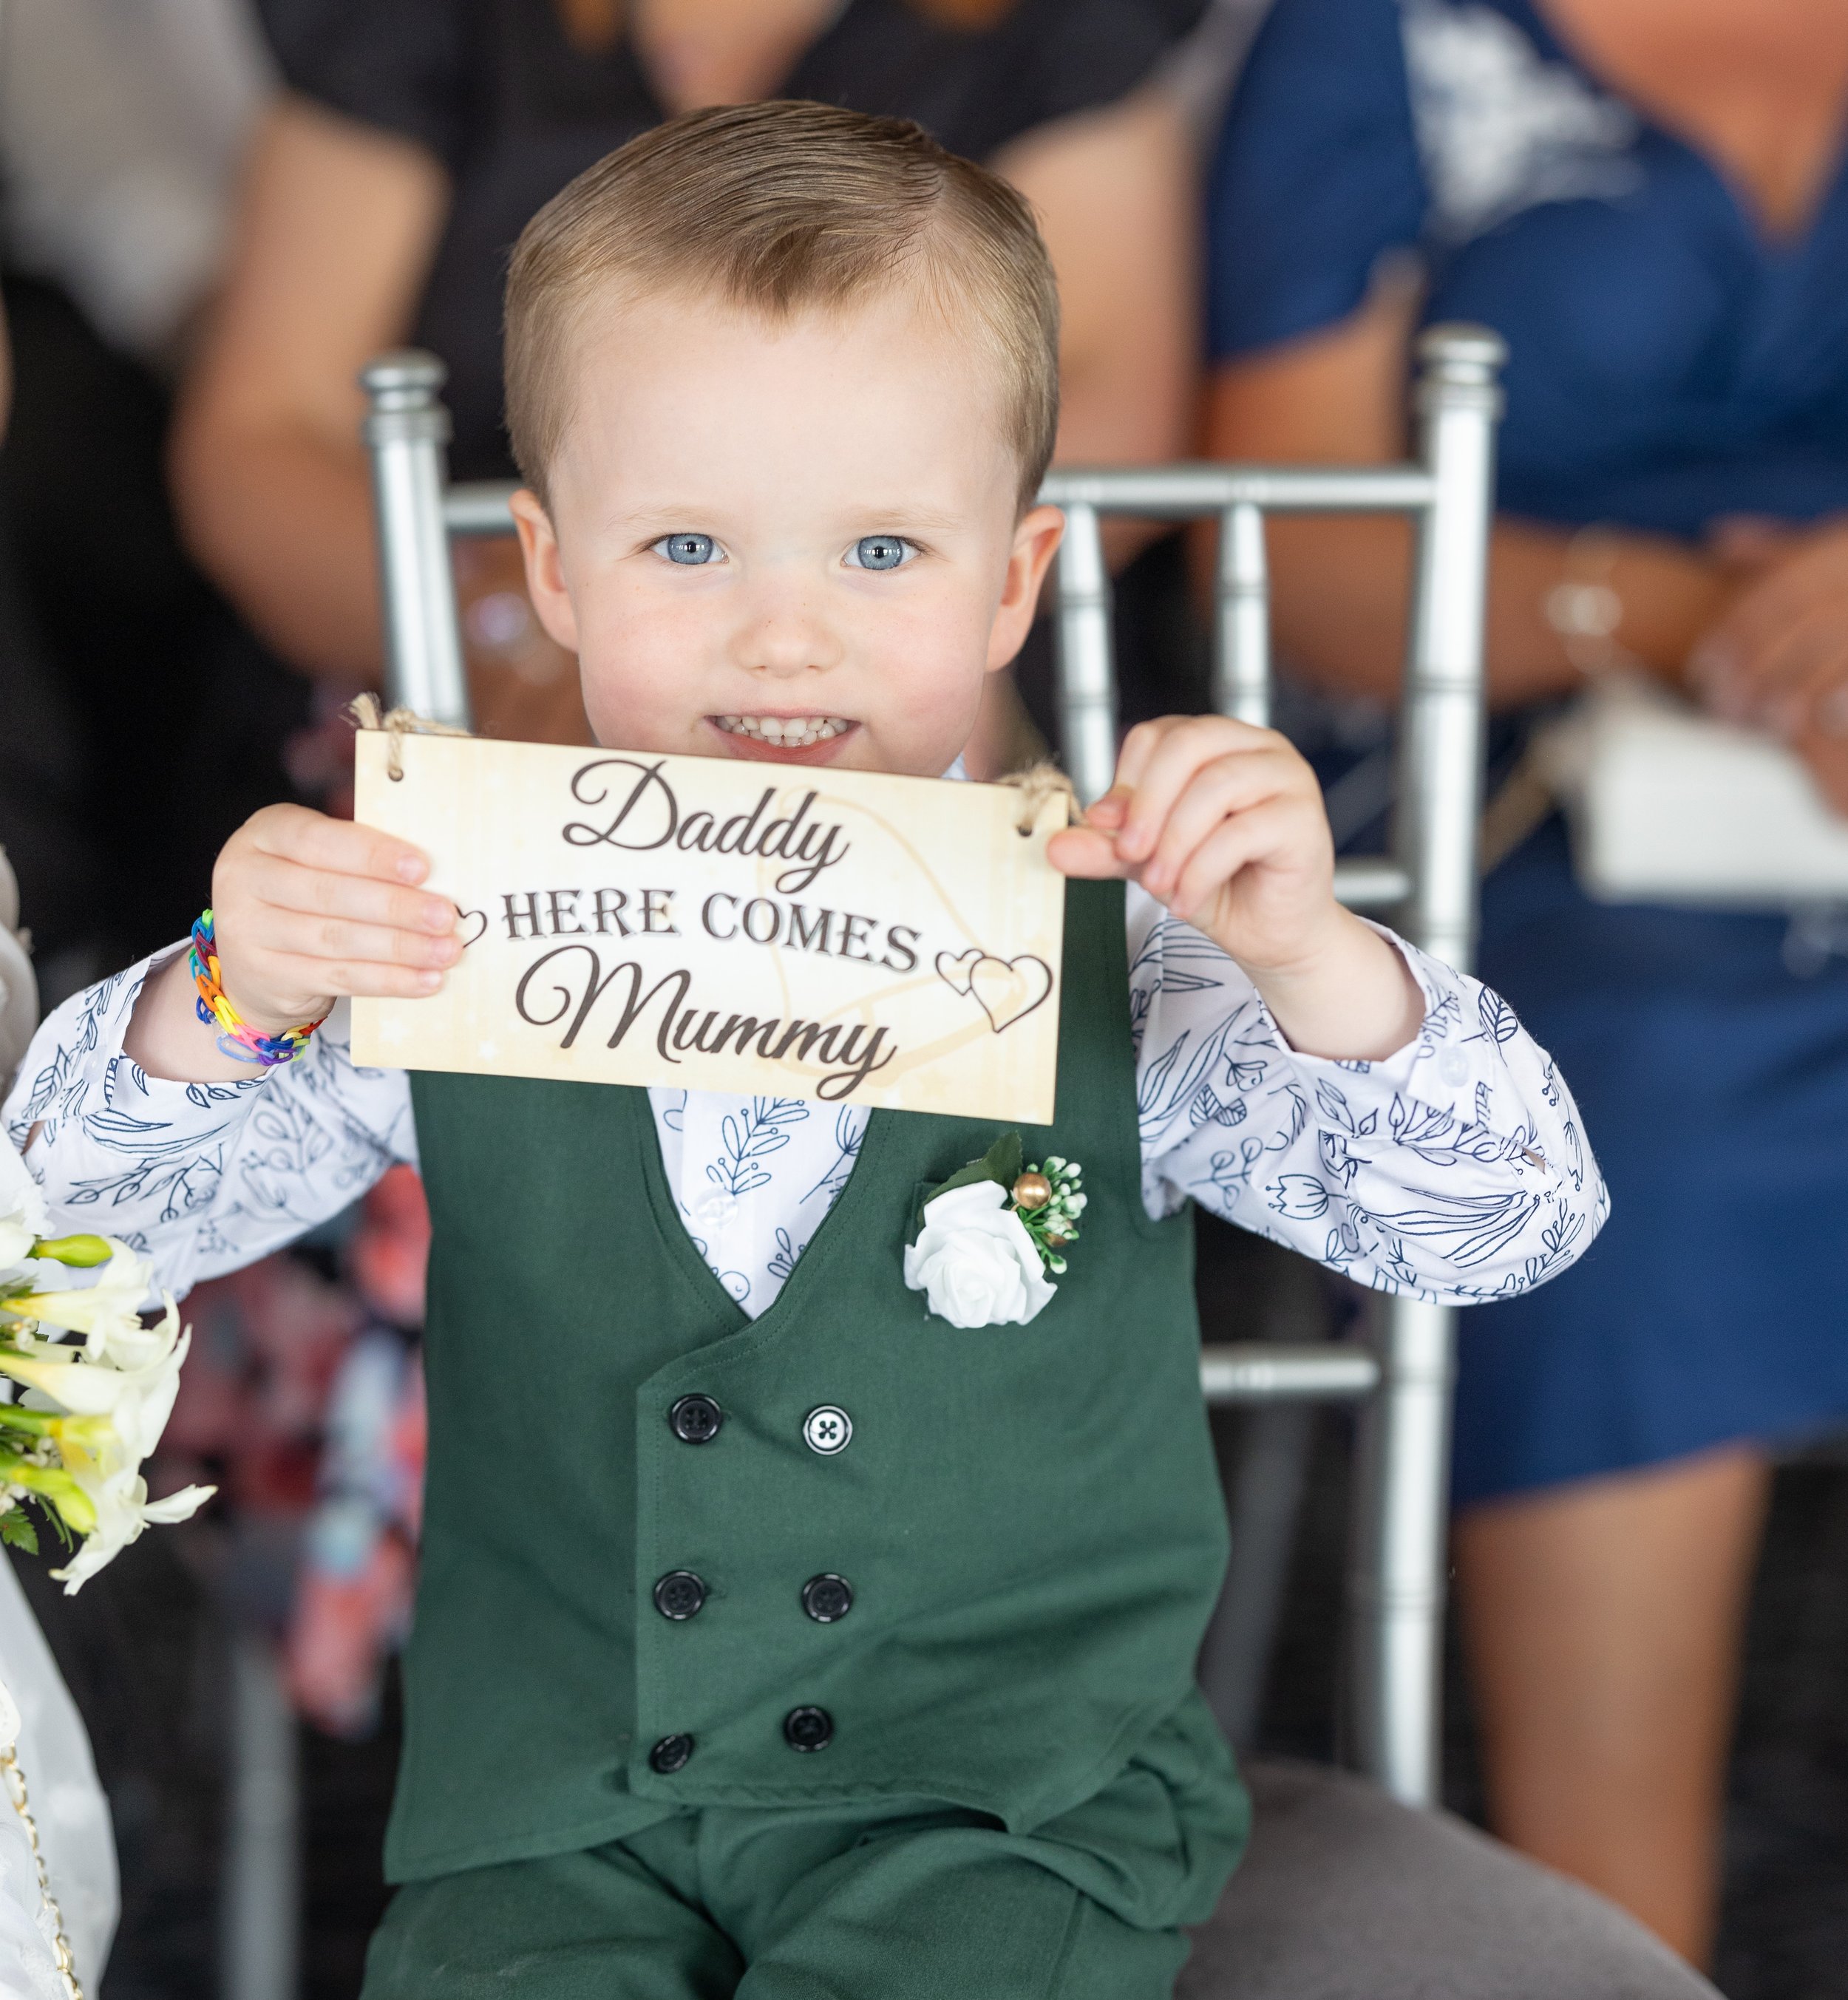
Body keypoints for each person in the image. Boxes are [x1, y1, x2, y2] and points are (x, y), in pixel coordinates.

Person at [12, 106, 1602, 1995]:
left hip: (997, 1816)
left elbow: (1505, 1228)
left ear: (1009, 585)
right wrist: (231, 987)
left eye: (877, 550)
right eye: (688, 543)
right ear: (556, 569)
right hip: (549, 1820)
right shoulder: (451, 921)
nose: (782, 638)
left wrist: (1313, 956)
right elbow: (59, 1243)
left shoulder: (1133, 946)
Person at [1202, 0, 1848, 1962]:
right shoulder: (1375, 41)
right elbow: (1289, 542)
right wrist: (1689, 615)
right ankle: (1613, 1932)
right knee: (1618, 1101)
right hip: (1527, 792)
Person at [171, 0, 1205, 756]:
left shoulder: (1056, 27)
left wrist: (856, 575)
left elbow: (1108, 399)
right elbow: (263, 435)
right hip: (458, 672)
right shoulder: (413, 27)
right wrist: (536, 627)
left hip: (927, 697)